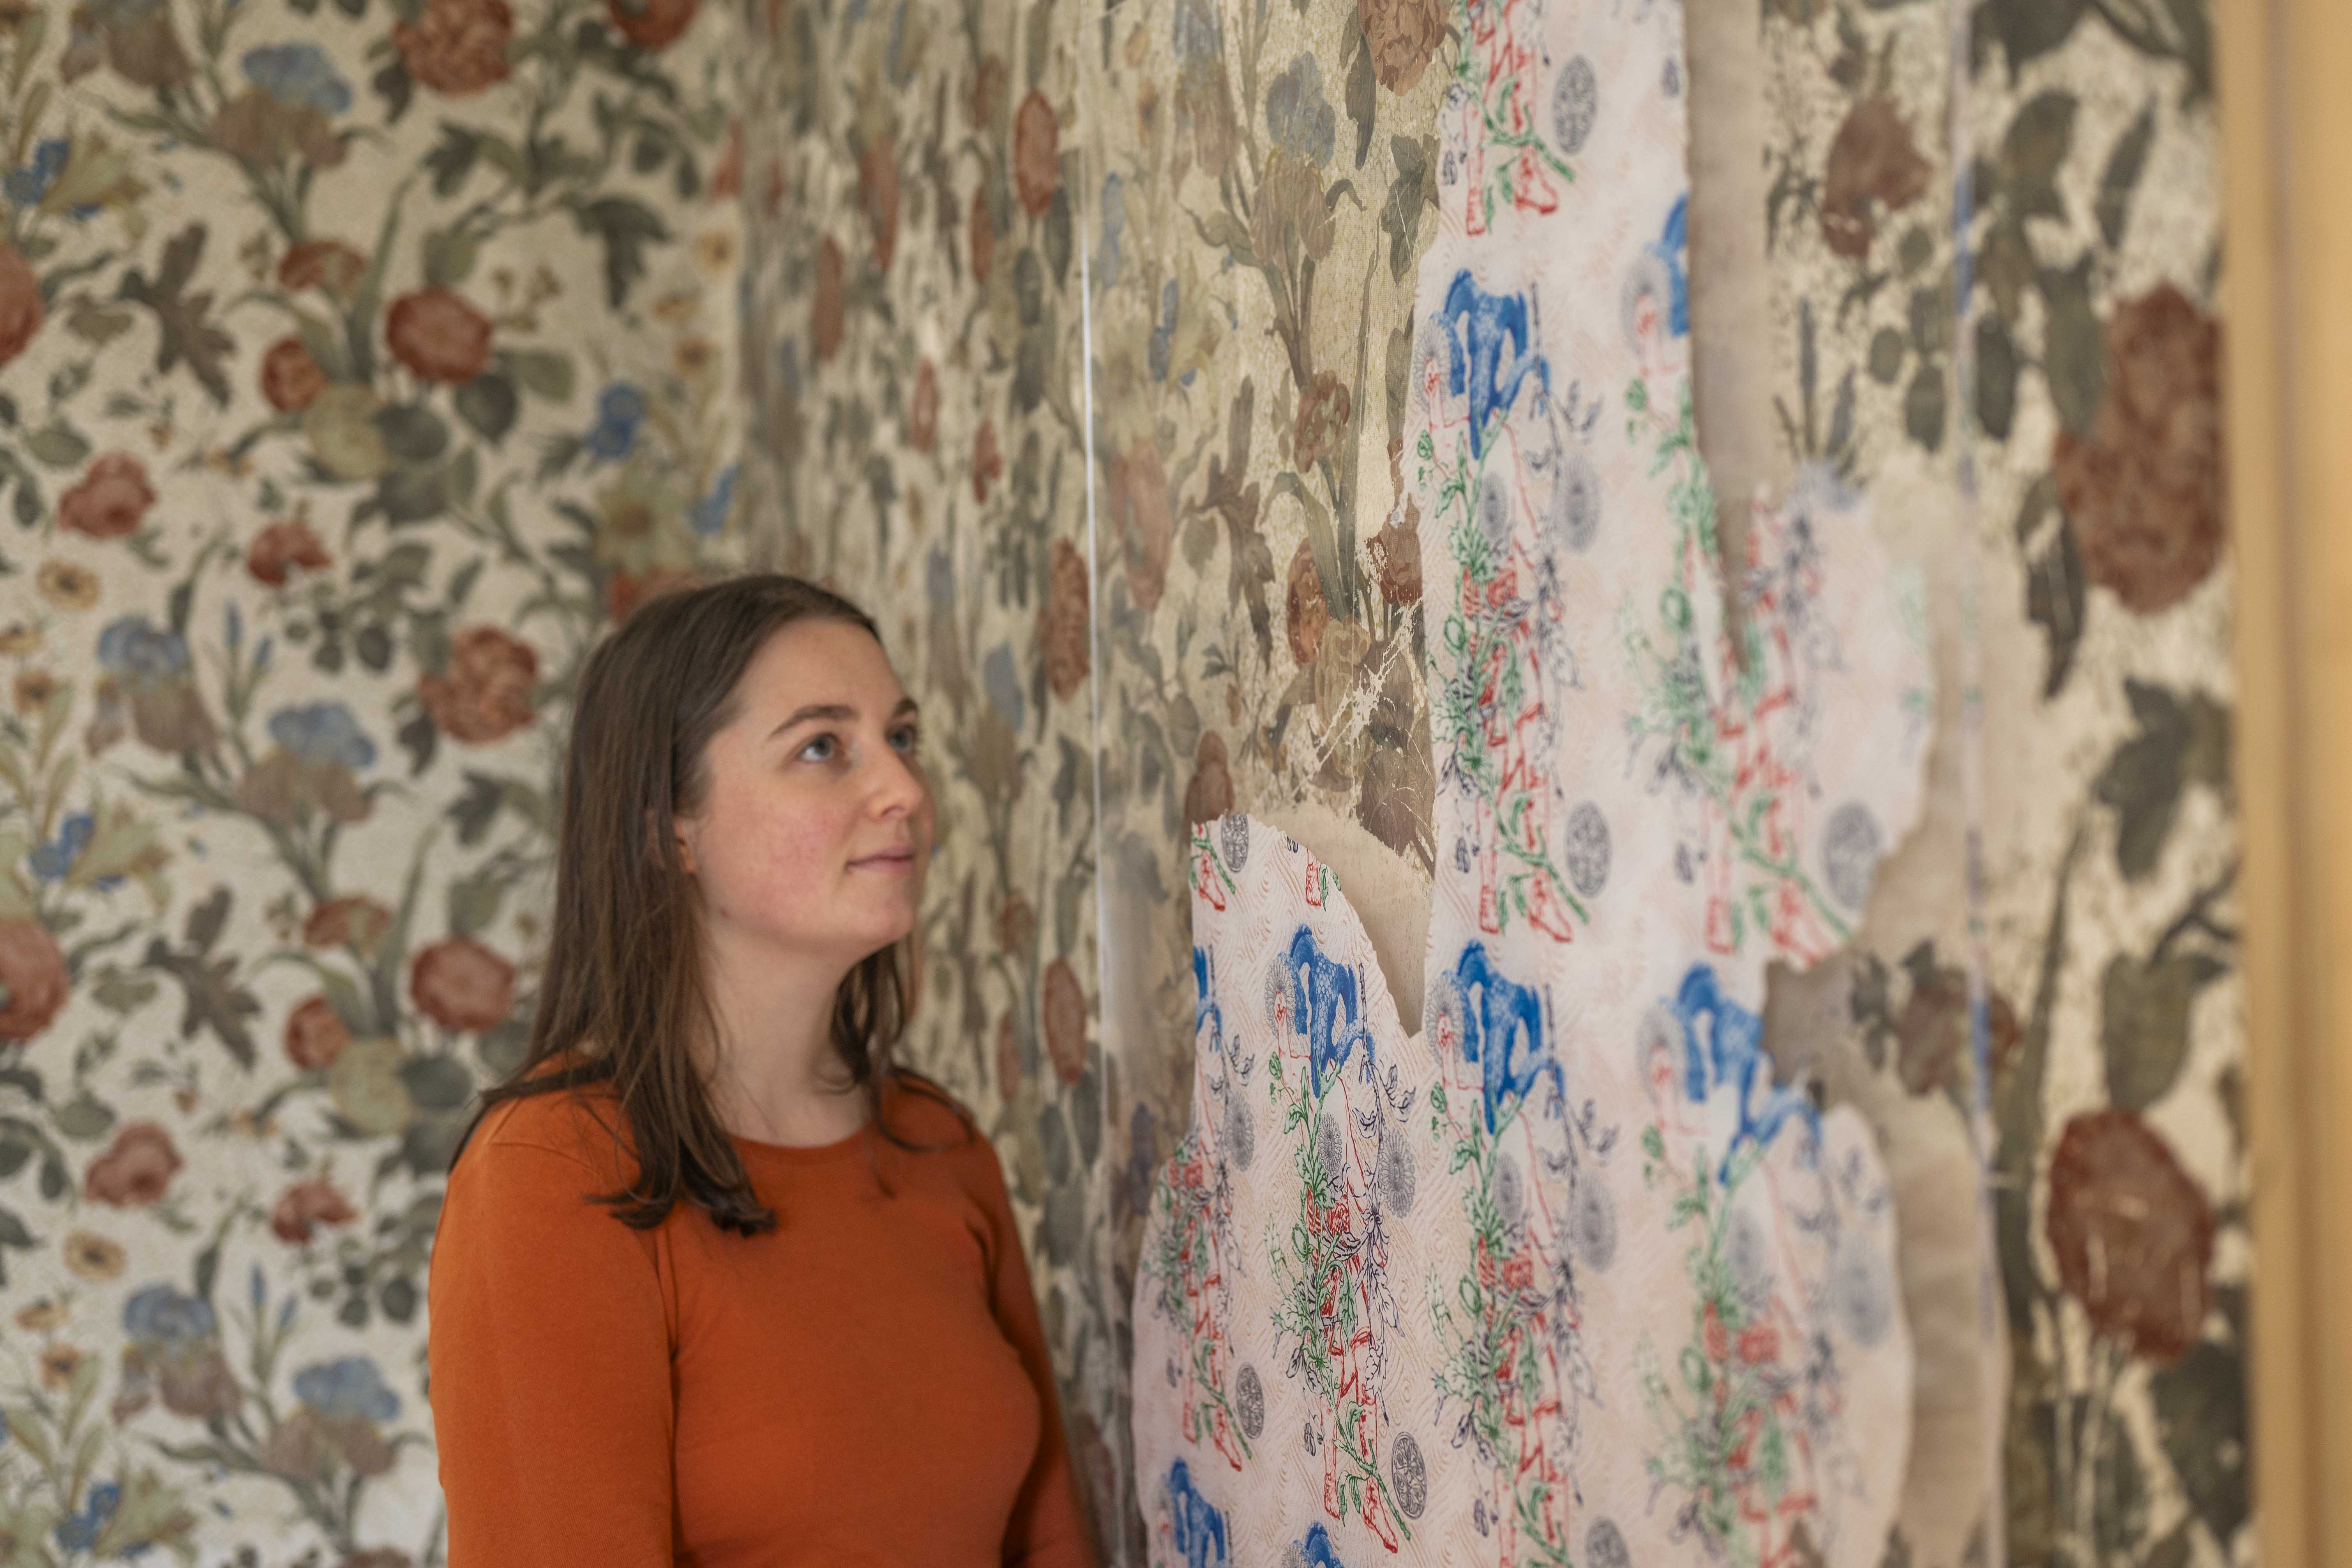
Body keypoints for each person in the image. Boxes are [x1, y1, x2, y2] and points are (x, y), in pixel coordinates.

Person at [426, 573, 1097, 1568]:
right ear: (669, 825)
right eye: (822, 746)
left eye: (901, 737)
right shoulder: (551, 1172)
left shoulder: (939, 1147)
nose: (906, 791)